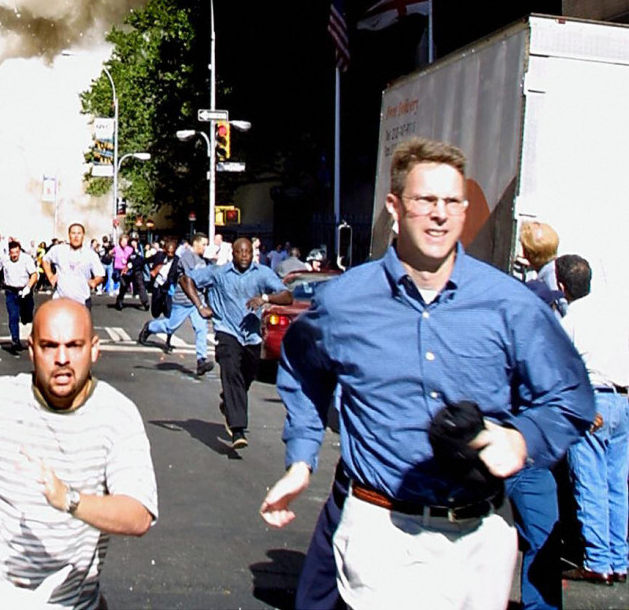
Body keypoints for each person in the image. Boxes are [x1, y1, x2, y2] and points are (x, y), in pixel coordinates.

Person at [260, 137, 595, 610]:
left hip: (479, 537)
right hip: (382, 529)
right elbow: (301, 368)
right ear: (395, 207)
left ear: (464, 210)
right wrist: (301, 458)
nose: (439, 213)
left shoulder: (510, 304)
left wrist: (522, 439)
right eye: (425, 200)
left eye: (451, 201)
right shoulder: (343, 303)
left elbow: (571, 396)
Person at [0, 297, 157, 608]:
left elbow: (138, 514)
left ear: (94, 349)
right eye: (49, 346)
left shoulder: (116, 416)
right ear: (32, 350)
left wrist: (69, 500)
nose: (62, 358)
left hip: (71, 602)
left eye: (74, 345)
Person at [505, 220, 568, 610]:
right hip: (523, 443)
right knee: (543, 539)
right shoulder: (550, 301)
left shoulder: (530, 296)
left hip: (520, 444)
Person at [557, 253, 628, 587]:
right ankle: (619, 558)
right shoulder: (619, 315)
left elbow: (563, 366)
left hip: (594, 397)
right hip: (623, 398)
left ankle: (598, 560)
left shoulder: (575, 317)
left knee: (590, 481)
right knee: (617, 483)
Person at [181, 234, 290, 449]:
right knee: (230, 372)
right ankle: (237, 429)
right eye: (239, 252)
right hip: (226, 331)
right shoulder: (219, 273)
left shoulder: (262, 274)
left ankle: (228, 403)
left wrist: (265, 299)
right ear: (233, 254)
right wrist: (200, 305)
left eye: (247, 252)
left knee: (245, 377)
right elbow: (186, 279)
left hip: (251, 336)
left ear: (253, 254)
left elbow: (287, 296)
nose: (244, 256)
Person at [138, 233, 213, 377]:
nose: (205, 247)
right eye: (203, 244)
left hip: (198, 301)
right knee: (170, 326)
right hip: (183, 300)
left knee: (201, 328)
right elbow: (192, 278)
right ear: (195, 243)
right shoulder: (186, 258)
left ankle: (201, 360)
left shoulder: (204, 260)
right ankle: (150, 327)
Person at [0, 237, 38, 353]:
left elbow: (34, 275)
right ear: (9, 252)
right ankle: (15, 341)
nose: (14, 255)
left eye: (17, 252)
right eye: (12, 253)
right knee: (13, 316)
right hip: (11, 291)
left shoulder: (26, 259)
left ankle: (26, 319)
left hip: (25, 290)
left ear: (20, 251)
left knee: (27, 316)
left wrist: (28, 287)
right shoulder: (4, 259)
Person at [41, 223, 105, 307]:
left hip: (82, 301)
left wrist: (95, 281)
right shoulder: (59, 250)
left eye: (79, 233)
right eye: (73, 233)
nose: (76, 236)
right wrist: (50, 275)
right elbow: (45, 260)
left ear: (83, 235)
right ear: (69, 235)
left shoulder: (90, 254)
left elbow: (100, 274)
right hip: (60, 300)